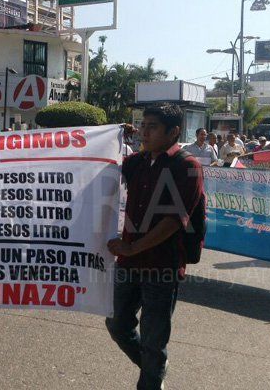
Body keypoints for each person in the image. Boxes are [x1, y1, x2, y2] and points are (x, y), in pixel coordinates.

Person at [106, 104, 204, 390]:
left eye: (152, 127)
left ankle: (151, 379)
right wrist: (111, 135)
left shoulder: (187, 167)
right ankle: (155, 370)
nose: (143, 132)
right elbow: (99, 167)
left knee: (153, 338)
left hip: (161, 265)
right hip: (128, 262)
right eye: (142, 125)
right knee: (117, 324)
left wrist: (132, 248)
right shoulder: (137, 162)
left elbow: (173, 221)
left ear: (173, 132)